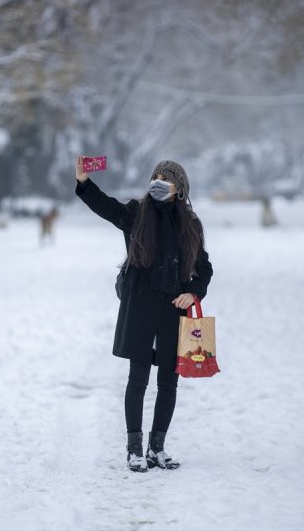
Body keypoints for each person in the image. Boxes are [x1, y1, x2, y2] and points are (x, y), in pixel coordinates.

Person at [75, 156, 213, 473]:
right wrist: (84, 182)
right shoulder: (136, 214)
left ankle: (157, 448)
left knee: (168, 382)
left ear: (180, 188)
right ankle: (134, 449)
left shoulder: (190, 226)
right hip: (140, 307)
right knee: (137, 380)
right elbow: (105, 206)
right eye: (156, 177)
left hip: (173, 311)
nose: (158, 182)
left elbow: (204, 268)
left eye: (166, 178)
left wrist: (193, 292)